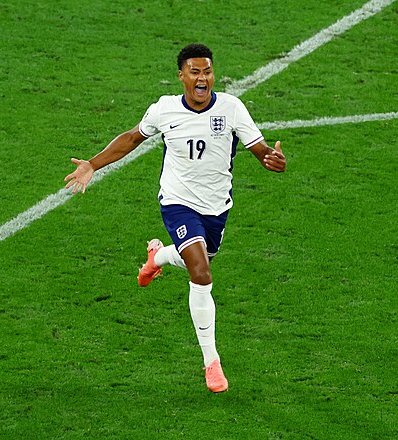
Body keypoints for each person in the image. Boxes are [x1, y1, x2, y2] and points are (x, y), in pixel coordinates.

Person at [64, 43, 286, 393]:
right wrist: (93, 163)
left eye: (207, 71)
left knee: (201, 258)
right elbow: (132, 139)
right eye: (195, 72)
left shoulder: (231, 108)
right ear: (182, 75)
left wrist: (272, 159)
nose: (202, 78)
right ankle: (212, 362)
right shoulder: (165, 109)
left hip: (216, 207)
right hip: (177, 202)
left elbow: (260, 151)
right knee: (201, 271)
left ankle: (159, 257)